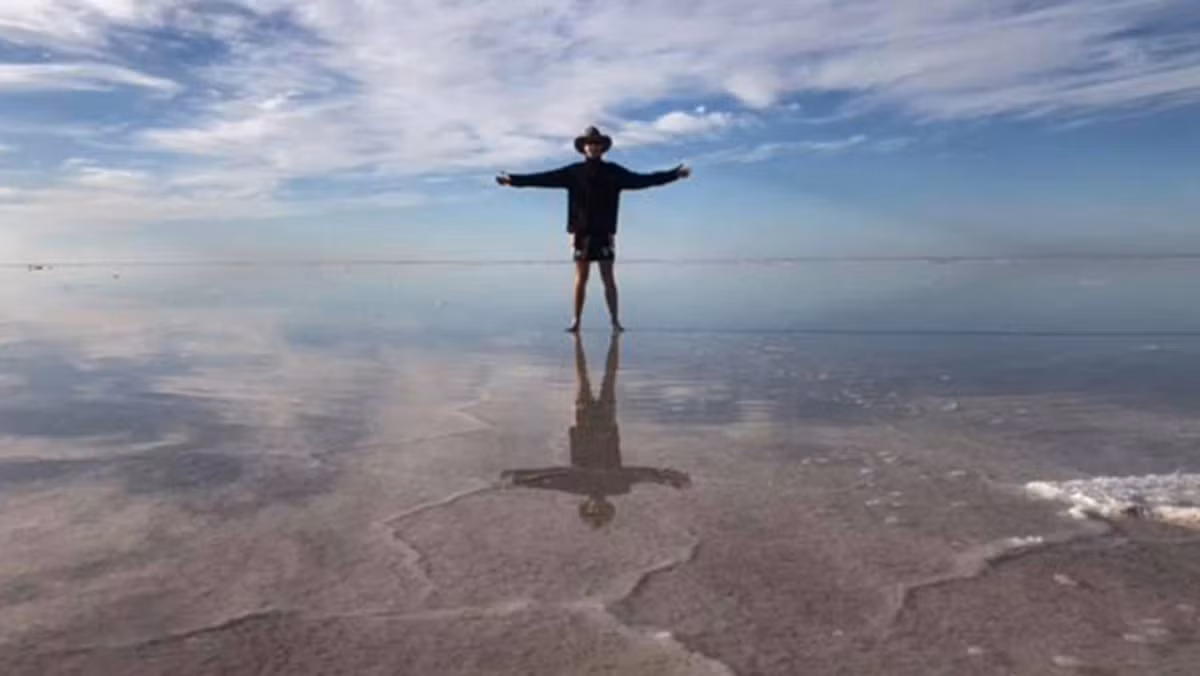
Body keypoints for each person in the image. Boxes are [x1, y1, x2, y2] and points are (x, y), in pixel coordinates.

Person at [497, 126, 691, 332]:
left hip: (604, 233)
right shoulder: (572, 172)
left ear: (602, 148)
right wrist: (513, 180)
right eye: (589, 144)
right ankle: (576, 321)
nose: (593, 147)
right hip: (580, 233)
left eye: (597, 144)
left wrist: (674, 175)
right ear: (584, 148)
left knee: (608, 278)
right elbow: (542, 178)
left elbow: (644, 180)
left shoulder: (614, 172)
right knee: (581, 279)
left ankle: (615, 321)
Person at [500, 332, 690, 528]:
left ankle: (587, 342)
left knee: (583, 377)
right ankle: (605, 342)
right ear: (608, 506)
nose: (596, 506)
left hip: (585, 423)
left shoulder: (579, 486)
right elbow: (640, 475)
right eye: (600, 510)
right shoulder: (617, 487)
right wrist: (667, 477)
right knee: (608, 377)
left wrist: (520, 478)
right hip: (605, 424)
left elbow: (554, 478)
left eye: (592, 510)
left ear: (585, 506)